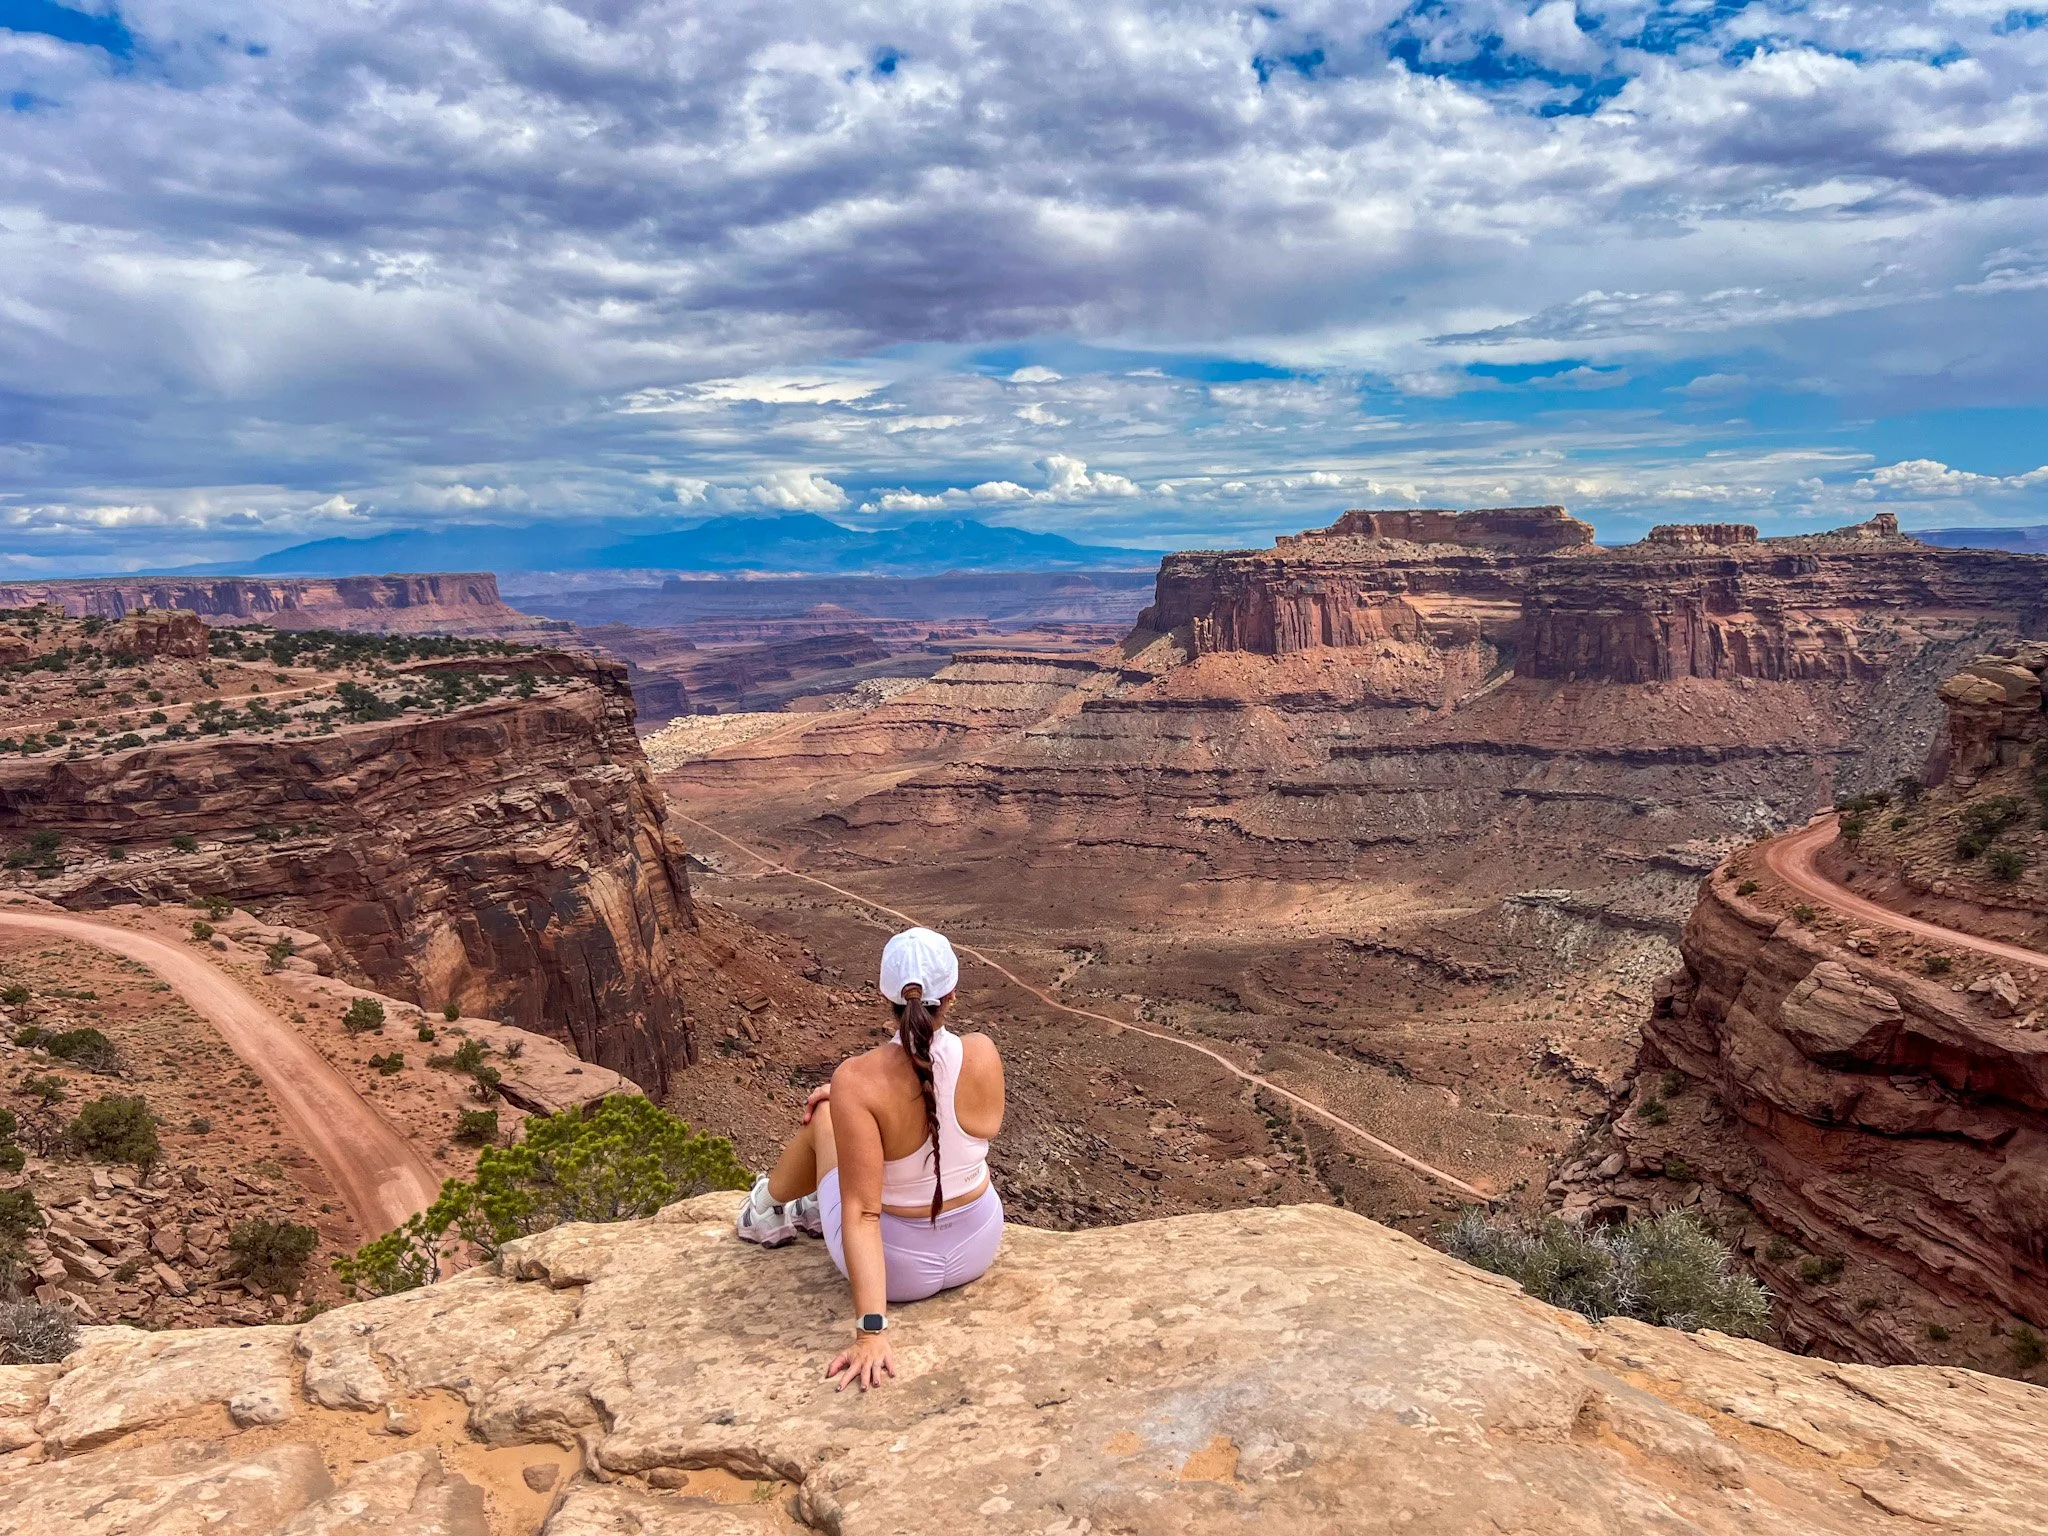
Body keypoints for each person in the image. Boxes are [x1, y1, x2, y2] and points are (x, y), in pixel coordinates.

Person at [735, 926, 1007, 1391]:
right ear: (952, 995)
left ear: (885, 997)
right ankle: (796, 1204)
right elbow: (954, 1122)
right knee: (839, 1110)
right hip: (978, 1243)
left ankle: (768, 1209)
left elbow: (863, 1213)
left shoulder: (857, 1079)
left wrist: (870, 1334)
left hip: (900, 1267)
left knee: (822, 1115)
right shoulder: (982, 1053)